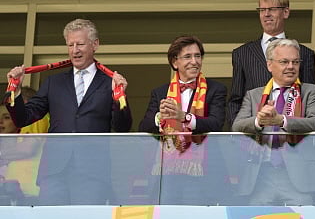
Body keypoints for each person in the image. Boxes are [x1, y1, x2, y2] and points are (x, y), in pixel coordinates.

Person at [5, 18, 132, 205]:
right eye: (70, 45)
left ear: (95, 45)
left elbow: (122, 127)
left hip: (92, 172)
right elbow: (24, 118)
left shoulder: (109, 82)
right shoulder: (53, 83)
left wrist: (119, 97)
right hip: (54, 171)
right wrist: (15, 90)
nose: (75, 50)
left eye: (80, 44)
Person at [232, 38, 315, 205]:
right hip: (260, 175)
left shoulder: (311, 91)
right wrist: (259, 121)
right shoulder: (254, 95)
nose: (291, 66)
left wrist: (281, 120)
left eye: (295, 62)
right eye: (284, 61)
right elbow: (237, 125)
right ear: (270, 65)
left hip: (298, 176)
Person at [139, 35, 227, 204]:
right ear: (174, 62)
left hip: (204, 171)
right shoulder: (160, 92)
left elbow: (216, 124)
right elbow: (144, 127)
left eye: (198, 56)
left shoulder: (216, 89)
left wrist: (184, 117)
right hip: (167, 174)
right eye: (187, 57)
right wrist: (160, 117)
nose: (194, 61)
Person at [227, 0, 315, 127]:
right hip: (255, 138)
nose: (266, 14)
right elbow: (235, 101)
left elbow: (310, 100)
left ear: (286, 12)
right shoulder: (242, 53)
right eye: (262, 10)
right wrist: (241, 136)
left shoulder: (305, 53)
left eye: (272, 9)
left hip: (293, 136)